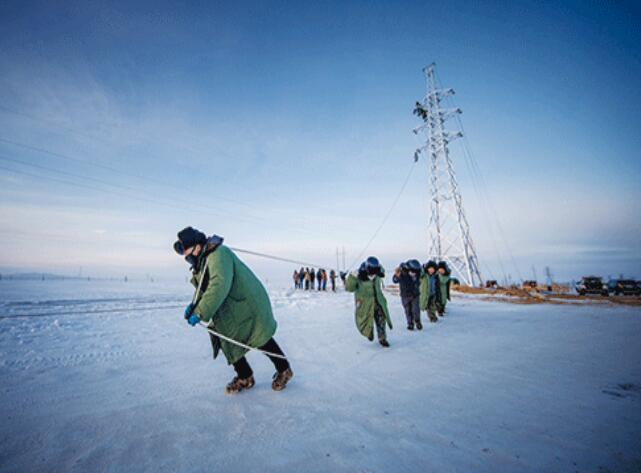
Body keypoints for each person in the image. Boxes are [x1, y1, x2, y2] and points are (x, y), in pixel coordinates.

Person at [174, 226, 293, 395]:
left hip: (247, 303)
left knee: (259, 336)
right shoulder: (203, 260)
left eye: (188, 254)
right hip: (232, 306)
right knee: (225, 337)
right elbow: (203, 287)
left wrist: (200, 312)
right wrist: (194, 305)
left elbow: (218, 285)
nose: (188, 258)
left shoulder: (218, 254)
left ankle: (284, 370)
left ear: (197, 246)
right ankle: (245, 376)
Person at [345, 256, 392, 347]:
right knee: (366, 319)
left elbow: (382, 270)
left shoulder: (377, 271)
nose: (372, 276)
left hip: (378, 301)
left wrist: (381, 271)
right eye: (371, 274)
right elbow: (349, 288)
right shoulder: (359, 275)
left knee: (381, 319)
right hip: (365, 303)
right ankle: (368, 332)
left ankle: (382, 338)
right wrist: (352, 277)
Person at [393, 259, 422, 330]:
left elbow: (419, 281)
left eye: (415, 272)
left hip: (415, 295)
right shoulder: (402, 273)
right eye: (412, 271)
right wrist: (396, 275)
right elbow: (395, 280)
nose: (413, 273)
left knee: (416, 309)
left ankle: (417, 321)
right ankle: (410, 323)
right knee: (408, 310)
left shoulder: (418, 274)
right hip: (405, 296)